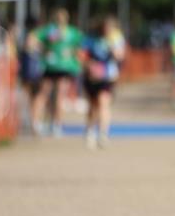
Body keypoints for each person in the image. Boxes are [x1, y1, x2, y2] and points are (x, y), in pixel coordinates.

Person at [35, 8, 84, 137]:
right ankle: (49, 124)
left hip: (59, 67)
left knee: (51, 95)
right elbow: (34, 40)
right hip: (55, 66)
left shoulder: (68, 32)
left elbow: (80, 47)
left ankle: (48, 124)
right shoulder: (54, 31)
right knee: (50, 95)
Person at [81, 16, 126, 149]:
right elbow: (81, 55)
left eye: (110, 28)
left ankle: (103, 133)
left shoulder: (117, 39)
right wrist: (89, 65)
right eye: (106, 28)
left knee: (103, 102)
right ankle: (90, 130)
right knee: (93, 105)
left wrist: (113, 48)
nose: (108, 31)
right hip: (91, 77)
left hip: (107, 76)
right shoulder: (91, 39)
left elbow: (120, 56)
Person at [19, 17, 45, 134]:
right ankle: (32, 122)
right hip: (31, 73)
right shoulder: (32, 37)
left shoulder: (27, 36)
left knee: (33, 98)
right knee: (33, 98)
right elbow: (29, 49)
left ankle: (33, 121)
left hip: (31, 72)